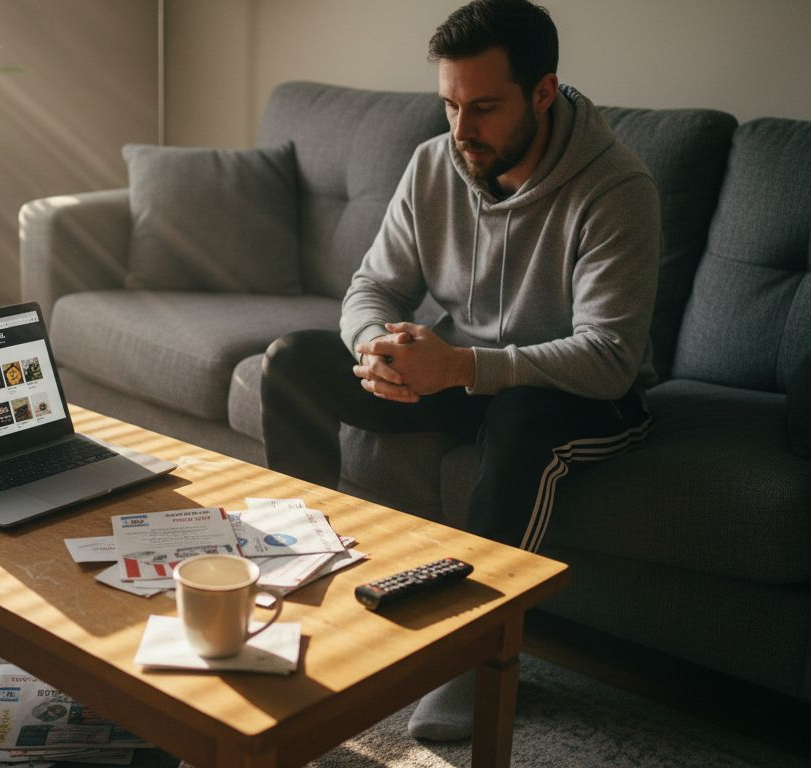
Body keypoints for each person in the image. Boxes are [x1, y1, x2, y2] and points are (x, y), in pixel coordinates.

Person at [260, 0, 660, 741]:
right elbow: (371, 289)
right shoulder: (434, 163)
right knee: (291, 363)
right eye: (449, 104)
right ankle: (299, 581)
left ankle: (471, 658)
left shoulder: (616, 188)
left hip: (578, 394)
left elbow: (608, 357)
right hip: (459, 372)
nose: (461, 130)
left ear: (544, 91)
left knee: (520, 418)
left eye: (483, 108)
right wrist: (378, 347)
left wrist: (463, 366)